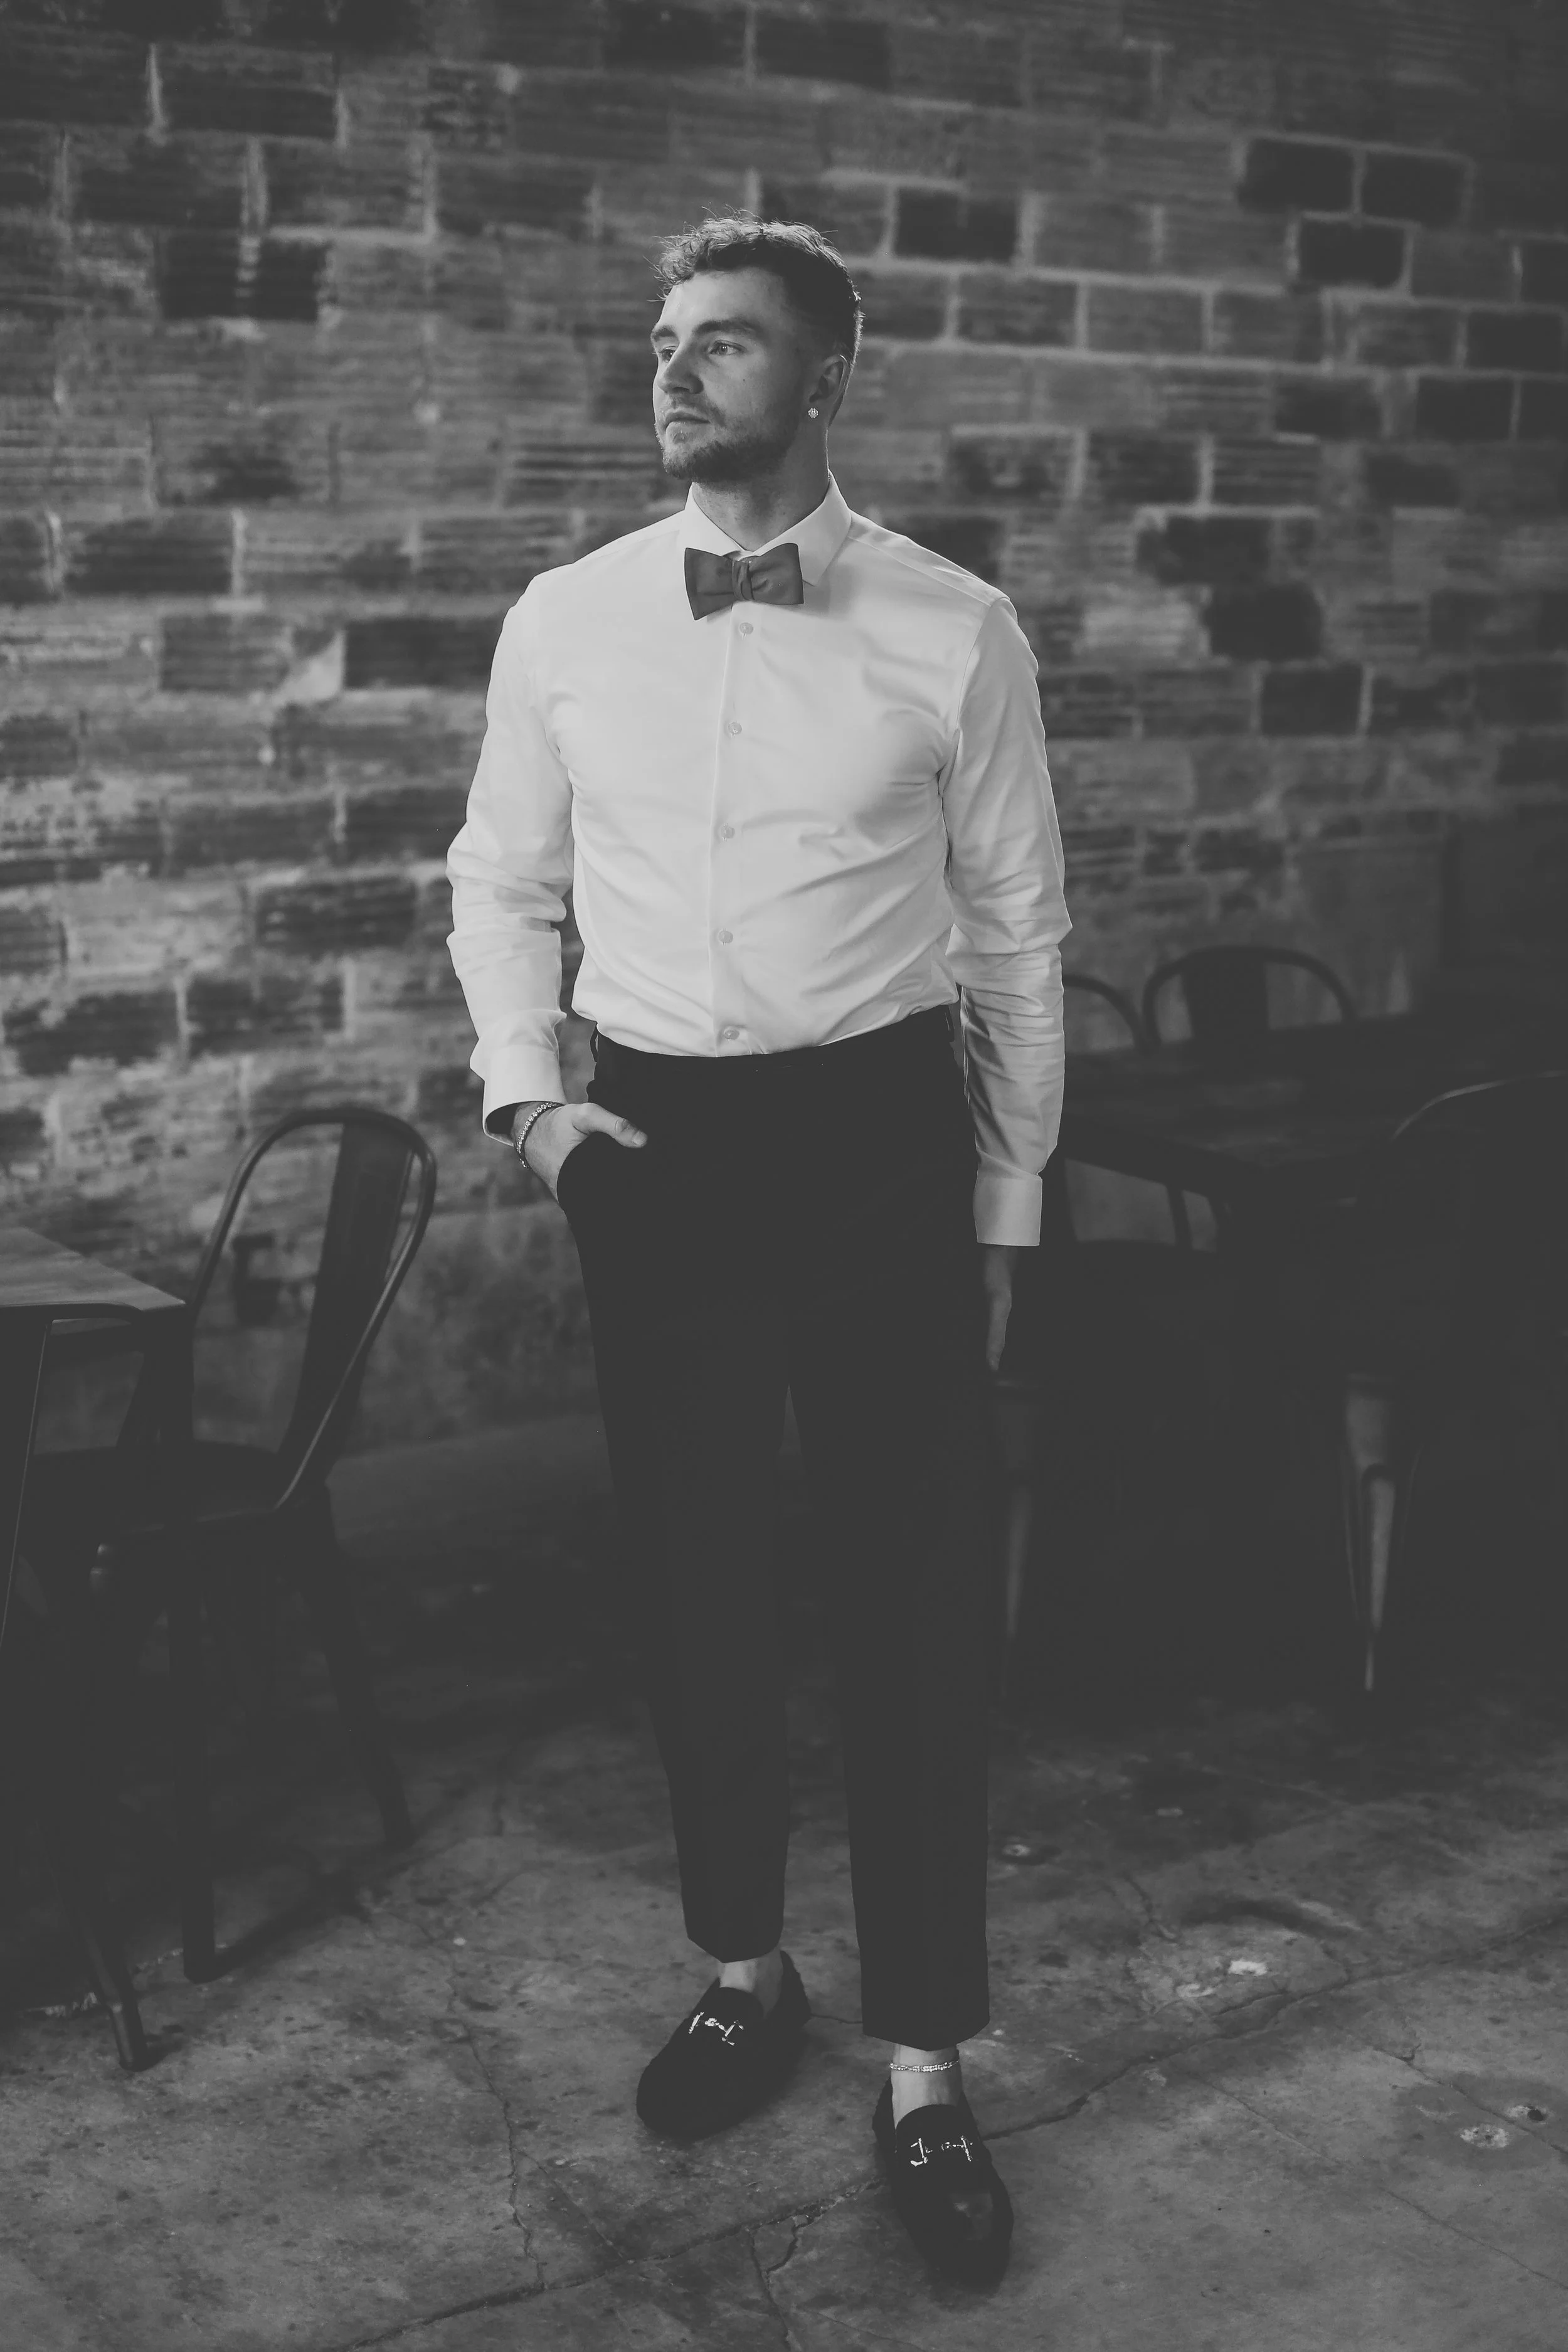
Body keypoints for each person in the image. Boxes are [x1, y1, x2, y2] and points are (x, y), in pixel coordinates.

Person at [447, 215, 1068, 2286]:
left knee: (912, 1598)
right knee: (692, 1569)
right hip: (660, 1141)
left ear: (824, 380)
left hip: (881, 1138)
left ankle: (924, 2061)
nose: (678, 367)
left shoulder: (955, 627)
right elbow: (499, 879)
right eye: (666, 338)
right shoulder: (566, 618)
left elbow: (1016, 934)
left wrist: (1004, 1197)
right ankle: (742, 1967)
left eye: (726, 340)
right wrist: (532, 1105)